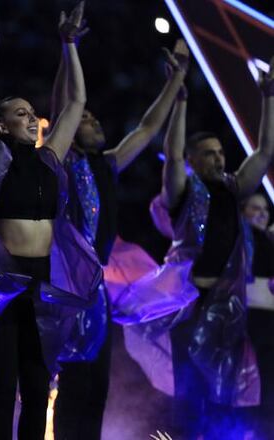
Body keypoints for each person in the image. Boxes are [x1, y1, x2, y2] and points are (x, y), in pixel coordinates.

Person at [0, 2, 102, 438]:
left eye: (33, 113)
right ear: (2, 124)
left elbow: (76, 101)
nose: (31, 119)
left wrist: (69, 44)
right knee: (3, 385)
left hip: (42, 284)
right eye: (21, 114)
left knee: (36, 387)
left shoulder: (50, 160)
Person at [52, 38, 190, 439]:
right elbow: (66, 105)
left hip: (96, 292)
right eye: (87, 119)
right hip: (65, 290)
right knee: (74, 385)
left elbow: (148, 128)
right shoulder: (62, 163)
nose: (95, 123)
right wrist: (69, 46)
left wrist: (175, 80)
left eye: (95, 119)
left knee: (97, 388)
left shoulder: (107, 164)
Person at [130, 55, 274, 439]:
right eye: (209, 153)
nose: (218, 158)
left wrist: (269, 98)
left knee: (224, 399)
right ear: (195, 160)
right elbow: (173, 155)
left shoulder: (233, 187)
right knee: (191, 400)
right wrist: (180, 100)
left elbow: (263, 154)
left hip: (228, 311)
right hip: (190, 308)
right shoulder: (182, 191)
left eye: (221, 153)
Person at [241, 193, 274, 439]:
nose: (263, 213)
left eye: (265, 209)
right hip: (249, 323)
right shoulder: (242, 239)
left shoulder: (267, 240)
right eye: (256, 208)